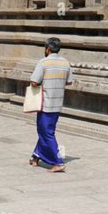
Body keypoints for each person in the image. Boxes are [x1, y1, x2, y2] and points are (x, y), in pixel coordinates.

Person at [29, 37, 74, 173]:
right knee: (46, 131)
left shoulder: (43, 62)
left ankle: (58, 162)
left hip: (45, 103)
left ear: (47, 49)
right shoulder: (66, 63)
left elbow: (34, 82)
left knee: (46, 132)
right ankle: (36, 157)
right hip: (57, 102)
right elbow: (69, 82)